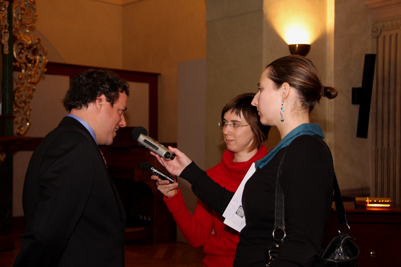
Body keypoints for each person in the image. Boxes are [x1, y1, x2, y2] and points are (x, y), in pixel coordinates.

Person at [152, 55, 338, 267]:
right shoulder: (288, 150)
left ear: (284, 91)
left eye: (261, 89)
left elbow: (303, 244)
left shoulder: (306, 151)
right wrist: (187, 170)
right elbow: (239, 212)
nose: (254, 100)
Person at [14, 69, 129, 267]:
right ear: (100, 101)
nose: (123, 122)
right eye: (120, 110)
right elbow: (47, 232)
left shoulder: (65, 139)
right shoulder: (74, 147)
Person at [152, 93, 270, 267]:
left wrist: (214, 244)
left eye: (235, 124)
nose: (225, 130)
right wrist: (173, 196)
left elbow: (258, 237)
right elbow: (197, 237)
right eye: (224, 123)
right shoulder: (213, 175)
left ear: (256, 129)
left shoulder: (269, 173)